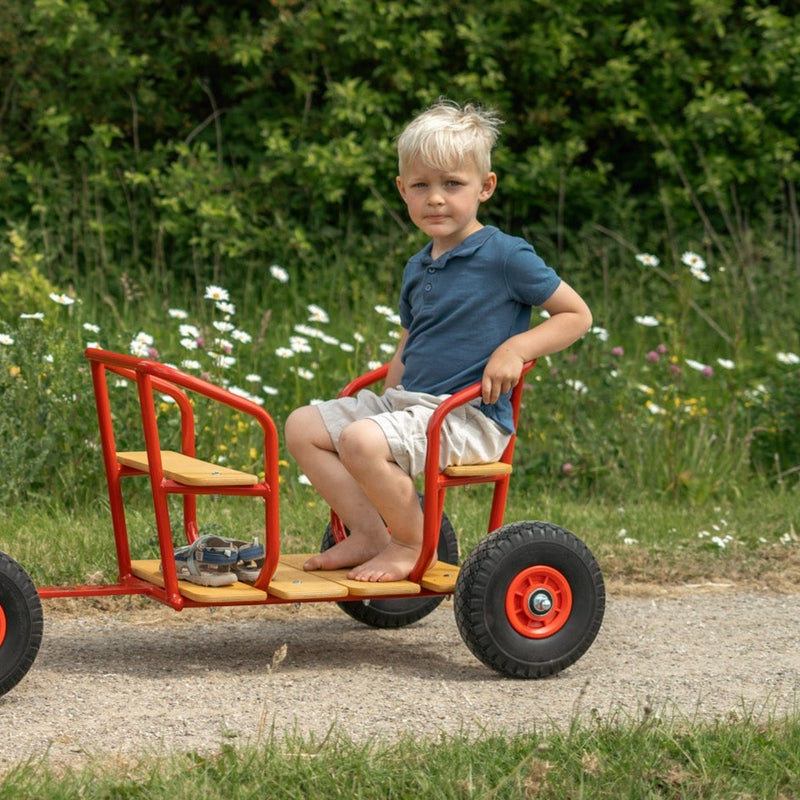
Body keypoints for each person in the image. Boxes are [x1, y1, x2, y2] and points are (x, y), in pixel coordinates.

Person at [285, 99, 592, 582]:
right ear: (402, 190)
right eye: (421, 186)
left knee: (361, 440)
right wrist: (385, 401)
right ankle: (369, 532)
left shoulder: (505, 256)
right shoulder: (418, 265)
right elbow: (410, 342)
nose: (435, 199)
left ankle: (412, 544)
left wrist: (515, 349)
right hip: (411, 404)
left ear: (485, 187)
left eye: (453, 184)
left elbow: (576, 315)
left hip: (467, 416)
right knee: (303, 425)